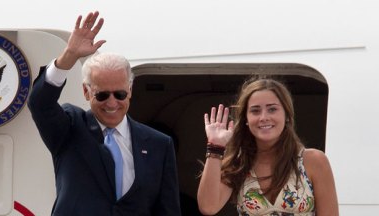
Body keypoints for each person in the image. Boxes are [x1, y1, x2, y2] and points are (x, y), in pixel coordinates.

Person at [27, 11, 181, 216]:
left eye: (119, 94)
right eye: (102, 95)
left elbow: (168, 210)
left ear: (130, 90)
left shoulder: (158, 144)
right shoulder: (70, 128)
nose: (112, 103)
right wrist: (69, 56)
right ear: (86, 91)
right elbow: (40, 103)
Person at [197, 78, 338, 215]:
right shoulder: (238, 164)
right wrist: (215, 146)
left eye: (272, 109)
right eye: (255, 111)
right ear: (246, 119)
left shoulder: (313, 161)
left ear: (287, 115)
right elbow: (209, 207)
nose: (263, 117)